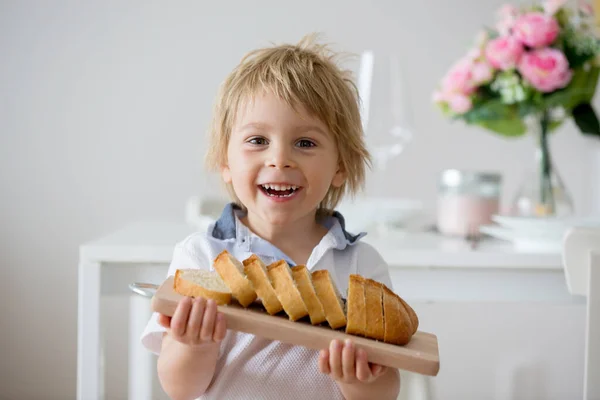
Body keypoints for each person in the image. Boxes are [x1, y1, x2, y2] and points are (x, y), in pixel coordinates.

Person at [141, 33, 401, 400]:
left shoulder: (363, 268)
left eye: (305, 143)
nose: (279, 159)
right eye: (257, 141)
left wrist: (361, 380)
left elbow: (385, 391)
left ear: (341, 166)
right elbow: (180, 387)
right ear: (225, 162)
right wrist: (192, 345)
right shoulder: (201, 258)